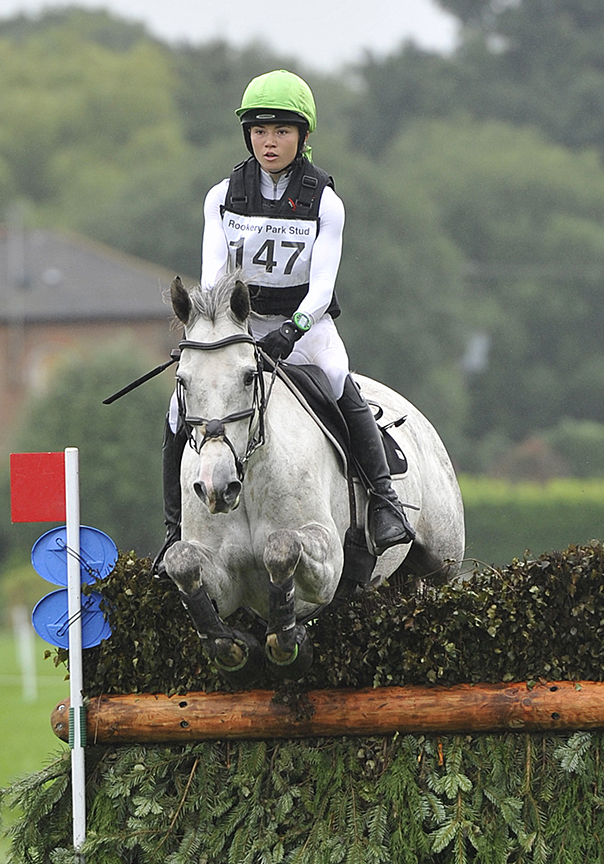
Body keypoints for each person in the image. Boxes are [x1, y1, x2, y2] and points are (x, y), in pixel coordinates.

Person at [156, 69, 416, 572]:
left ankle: (384, 503)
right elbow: (214, 280)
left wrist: (291, 331)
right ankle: (174, 529)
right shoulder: (223, 196)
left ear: (303, 136)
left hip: (305, 326)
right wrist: (229, 333)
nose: (268, 143)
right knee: (176, 409)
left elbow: (322, 289)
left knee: (338, 380)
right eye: (258, 131)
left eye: (280, 132)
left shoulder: (325, 201)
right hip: (240, 326)